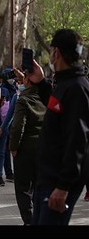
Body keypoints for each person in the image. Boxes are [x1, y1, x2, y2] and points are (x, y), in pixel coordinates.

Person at [29, 29, 89, 225]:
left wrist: (63, 186)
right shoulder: (65, 84)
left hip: (57, 182)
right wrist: (41, 84)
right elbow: (56, 108)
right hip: (46, 178)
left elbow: (78, 140)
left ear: (57, 53)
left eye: (52, 50)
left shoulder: (77, 88)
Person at [9, 72, 46, 225]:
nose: (21, 81)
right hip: (44, 148)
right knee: (40, 186)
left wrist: (13, 147)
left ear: (28, 81)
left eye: (24, 78)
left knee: (23, 187)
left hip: (25, 149)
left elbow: (18, 126)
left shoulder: (23, 100)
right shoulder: (47, 99)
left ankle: (29, 220)